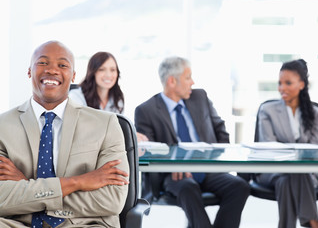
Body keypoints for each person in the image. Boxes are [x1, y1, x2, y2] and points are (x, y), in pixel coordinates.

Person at [0, 41, 129, 227]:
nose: (52, 70)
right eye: (43, 63)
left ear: (74, 75)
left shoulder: (106, 124)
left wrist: (26, 186)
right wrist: (78, 182)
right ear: (29, 71)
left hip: (84, 224)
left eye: (62, 65)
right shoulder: (3, 126)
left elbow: (112, 200)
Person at [134, 56, 250, 228]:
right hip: (174, 175)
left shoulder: (200, 97)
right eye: (188, 78)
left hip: (207, 168)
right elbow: (149, 150)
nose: (192, 82)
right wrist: (174, 165)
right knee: (188, 188)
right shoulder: (146, 110)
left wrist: (218, 161)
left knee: (239, 186)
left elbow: (220, 130)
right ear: (172, 81)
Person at [256, 59, 318, 228]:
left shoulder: (317, 114)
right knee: (291, 174)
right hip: (273, 171)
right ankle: (314, 223)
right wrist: (298, 155)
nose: (282, 88)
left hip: (308, 173)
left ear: (301, 84)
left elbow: (316, 151)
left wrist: (292, 155)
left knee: (289, 179)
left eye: (288, 83)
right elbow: (269, 146)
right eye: (280, 83)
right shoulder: (268, 111)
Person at [69, 51, 148, 142]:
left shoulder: (117, 99)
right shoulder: (76, 97)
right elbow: (82, 132)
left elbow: (118, 127)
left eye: (112, 70)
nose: (108, 75)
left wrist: (131, 134)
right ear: (93, 72)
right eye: (102, 69)